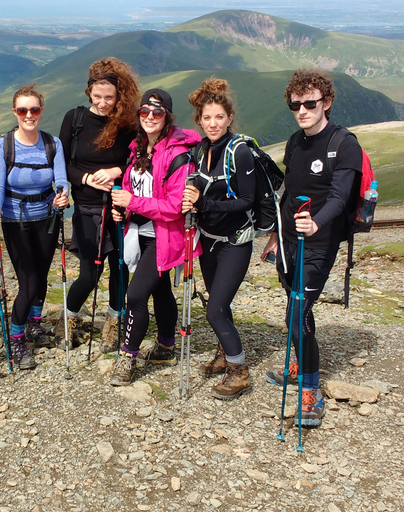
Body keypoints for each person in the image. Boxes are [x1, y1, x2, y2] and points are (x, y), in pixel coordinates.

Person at [260, 69, 362, 426]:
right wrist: (275, 234)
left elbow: (339, 195)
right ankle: (300, 363)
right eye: (295, 104)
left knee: (295, 313)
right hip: (289, 241)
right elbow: (289, 191)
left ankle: (310, 391)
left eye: (310, 103)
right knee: (295, 303)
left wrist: (317, 222)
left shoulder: (344, 143)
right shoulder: (295, 141)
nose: (302, 110)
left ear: (327, 103)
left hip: (319, 242)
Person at [109, 88, 201, 386]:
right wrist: (123, 211)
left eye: (157, 112)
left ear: (168, 116)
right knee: (160, 290)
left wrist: (131, 203)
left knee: (135, 295)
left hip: (165, 235)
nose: (149, 117)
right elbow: (132, 189)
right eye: (144, 111)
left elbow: (176, 207)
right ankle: (166, 346)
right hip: (142, 230)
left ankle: (127, 357)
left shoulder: (177, 155)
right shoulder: (138, 147)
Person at [181, 77, 256, 400]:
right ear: (199, 120)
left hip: (235, 241)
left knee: (214, 309)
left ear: (229, 118)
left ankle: (239, 371)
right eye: (207, 118)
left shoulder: (238, 152)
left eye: (219, 118)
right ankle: (226, 352)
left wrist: (204, 204)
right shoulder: (200, 150)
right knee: (219, 302)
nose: (213, 124)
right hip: (208, 239)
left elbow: (247, 200)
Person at [58, 57, 139, 351]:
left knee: (120, 270)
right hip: (86, 208)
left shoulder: (127, 123)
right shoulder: (75, 119)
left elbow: (137, 161)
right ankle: (68, 320)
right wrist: (86, 178)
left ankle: (114, 324)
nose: (103, 103)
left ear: (119, 95)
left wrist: (117, 171)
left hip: (119, 209)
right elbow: (61, 163)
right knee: (89, 275)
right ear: (89, 92)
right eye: (98, 96)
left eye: (110, 97)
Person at [0, 84, 70, 367]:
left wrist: (62, 193)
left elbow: (61, 177)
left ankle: (35, 322)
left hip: (47, 218)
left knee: (42, 274)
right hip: (15, 220)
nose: (29, 115)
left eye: (34, 109)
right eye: (23, 110)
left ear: (41, 111)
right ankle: (16, 339)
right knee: (28, 282)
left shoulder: (52, 143)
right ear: (15, 112)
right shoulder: (4, 145)